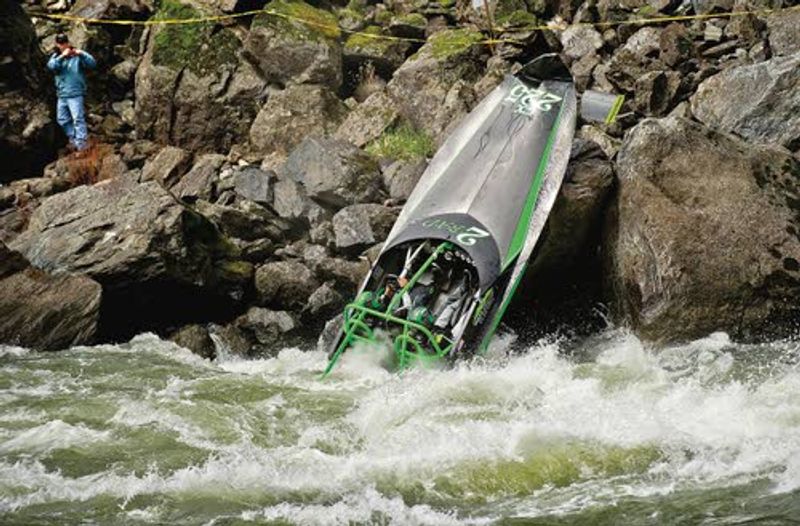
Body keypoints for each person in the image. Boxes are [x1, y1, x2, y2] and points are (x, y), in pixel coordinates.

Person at [47, 33, 96, 152]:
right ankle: (73, 138)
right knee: (62, 119)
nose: (63, 45)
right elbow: (51, 66)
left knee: (78, 119)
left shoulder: (77, 56)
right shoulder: (55, 56)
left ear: (68, 42)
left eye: (64, 43)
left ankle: (81, 144)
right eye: (60, 43)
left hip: (75, 93)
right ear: (57, 44)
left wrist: (81, 53)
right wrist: (62, 56)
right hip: (62, 94)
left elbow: (92, 64)